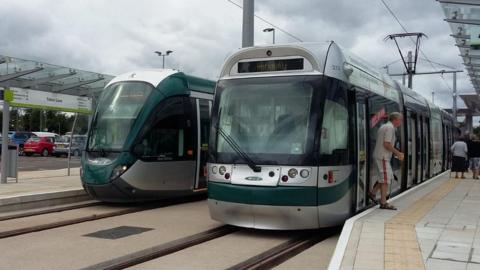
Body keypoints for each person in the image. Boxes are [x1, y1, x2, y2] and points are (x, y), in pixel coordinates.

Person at [368, 112, 404, 210]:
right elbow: (386, 144)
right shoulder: (390, 128)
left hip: (380, 156)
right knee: (385, 179)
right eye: (400, 120)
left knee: (386, 177)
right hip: (383, 156)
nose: (401, 122)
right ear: (395, 119)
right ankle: (383, 202)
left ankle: (372, 193)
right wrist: (398, 153)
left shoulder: (384, 126)